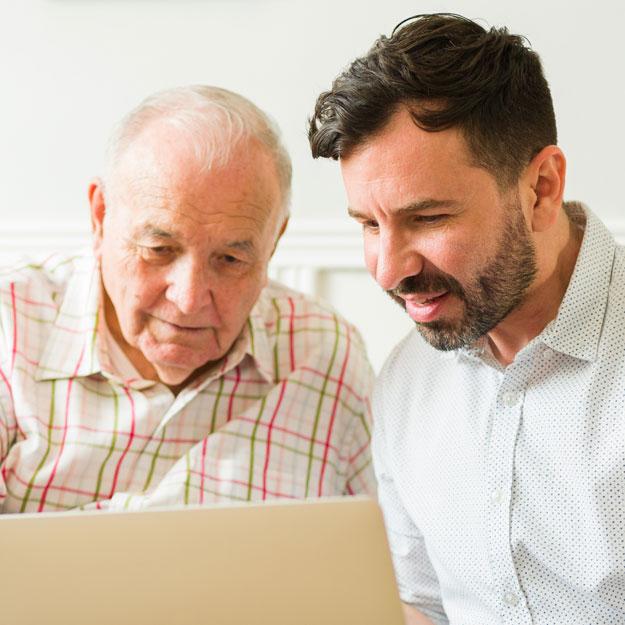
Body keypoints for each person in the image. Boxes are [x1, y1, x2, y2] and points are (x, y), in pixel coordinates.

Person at [308, 13, 625, 625]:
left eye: (427, 218)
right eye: (369, 225)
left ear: (541, 188)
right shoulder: (405, 381)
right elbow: (422, 606)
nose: (387, 271)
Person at [0, 85, 375, 514]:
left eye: (231, 259)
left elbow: (388, 562)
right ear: (101, 216)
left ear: (274, 242)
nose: (190, 298)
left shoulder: (325, 357)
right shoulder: (9, 324)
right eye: (159, 250)